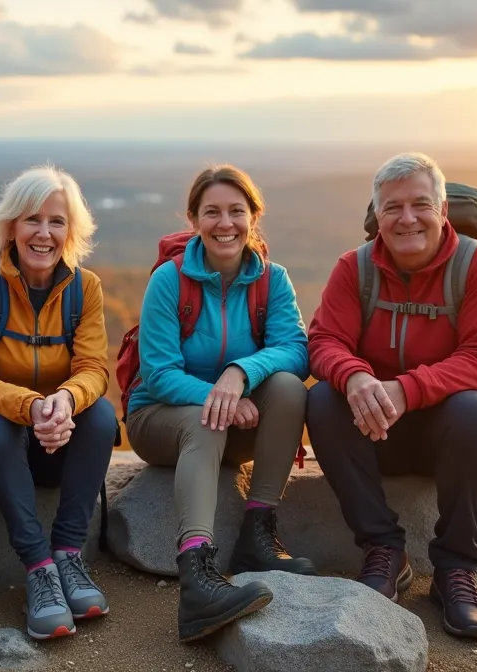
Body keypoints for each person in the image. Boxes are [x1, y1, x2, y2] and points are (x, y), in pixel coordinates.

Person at [305, 152, 477, 640]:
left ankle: (457, 569)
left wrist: (407, 389)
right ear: (377, 217)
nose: (406, 218)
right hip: (374, 428)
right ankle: (384, 550)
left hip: (452, 433)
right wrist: (356, 377)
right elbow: (323, 342)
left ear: (443, 211)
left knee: (475, 409)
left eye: (420, 204)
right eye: (392, 208)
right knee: (322, 399)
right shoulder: (354, 268)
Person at [123, 164, 316, 643]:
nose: (224, 223)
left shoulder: (272, 280)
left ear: (254, 217)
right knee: (206, 421)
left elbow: (296, 349)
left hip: (234, 417)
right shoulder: (170, 281)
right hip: (160, 419)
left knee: (290, 388)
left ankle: (257, 536)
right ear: (193, 220)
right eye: (212, 212)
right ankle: (197, 579)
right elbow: (160, 375)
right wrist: (219, 399)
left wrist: (240, 374)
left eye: (236, 210)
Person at [0, 165, 116, 640]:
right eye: (32, 219)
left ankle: (68, 554)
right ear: (10, 226)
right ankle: (39, 567)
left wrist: (65, 399)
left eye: (57, 221)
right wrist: (32, 407)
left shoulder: (85, 287)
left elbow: (94, 369)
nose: (44, 233)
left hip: (59, 443)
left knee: (102, 416)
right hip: (4, 449)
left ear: (72, 231)